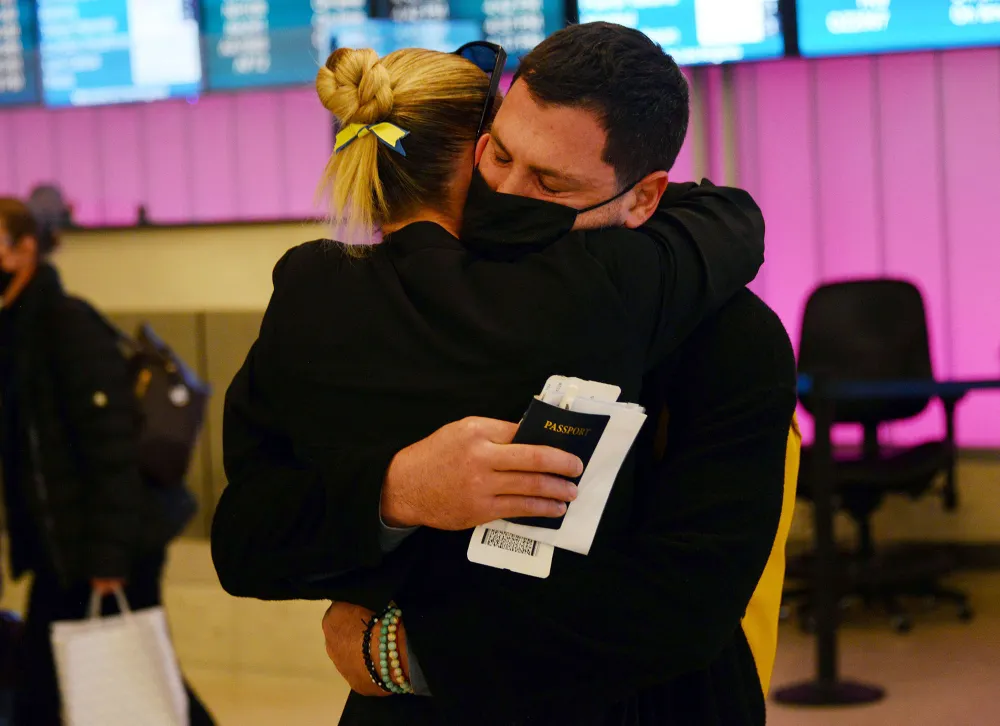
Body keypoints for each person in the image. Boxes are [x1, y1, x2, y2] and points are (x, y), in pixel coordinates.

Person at [211, 29, 773, 725]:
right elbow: (249, 534)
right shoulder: (383, 300)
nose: (504, 193)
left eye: (549, 183)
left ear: (643, 198)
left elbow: (679, 607)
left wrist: (403, 652)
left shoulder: (725, 334)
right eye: (499, 156)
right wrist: (396, 489)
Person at [0, 198, 215, 726]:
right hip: (66, 546)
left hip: (106, 545)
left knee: (135, 677)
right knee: (100, 678)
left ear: (25, 249)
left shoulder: (63, 323)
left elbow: (112, 446)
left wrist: (109, 558)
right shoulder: (16, 331)